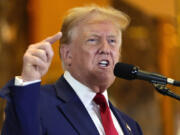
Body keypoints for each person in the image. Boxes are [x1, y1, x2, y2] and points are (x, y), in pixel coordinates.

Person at [0, 5, 143, 135]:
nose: (106, 49)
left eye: (112, 41)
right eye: (93, 40)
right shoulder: (37, 104)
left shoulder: (131, 126)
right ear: (67, 54)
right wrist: (28, 82)